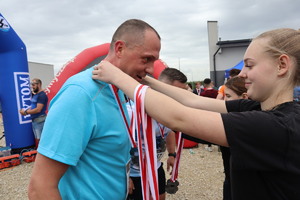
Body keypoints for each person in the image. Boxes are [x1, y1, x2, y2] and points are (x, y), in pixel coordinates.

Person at [93, 28, 300, 199]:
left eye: (249, 65)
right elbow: (192, 100)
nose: (242, 73)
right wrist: (145, 78)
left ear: (282, 65)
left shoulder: (277, 126)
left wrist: (118, 77)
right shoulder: (258, 107)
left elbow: (179, 117)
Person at [28, 19, 161, 200]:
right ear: (120, 49)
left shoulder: (117, 89)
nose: (151, 69)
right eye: (146, 59)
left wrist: (123, 178)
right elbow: (40, 187)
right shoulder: (81, 94)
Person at [128, 68, 186, 200]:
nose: (180, 97)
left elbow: (169, 131)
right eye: (176, 92)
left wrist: (172, 154)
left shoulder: (167, 111)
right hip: (134, 174)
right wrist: (124, 176)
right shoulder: (131, 111)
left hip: (155, 168)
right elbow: (115, 146)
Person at [221, 76, 248, 200]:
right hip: (231, 183)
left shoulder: (239, 125)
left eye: (228, 96)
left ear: (244, 97)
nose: (224, 99)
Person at [19, 78, 48, 148]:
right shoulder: (36, 95)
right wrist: (25, 110)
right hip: (35, 121)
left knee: (42, 141)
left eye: (34, 85)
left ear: (39, 84)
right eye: (31, 85)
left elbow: (38, 109)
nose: (32, 86)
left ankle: (45, 157)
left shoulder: (42, 95)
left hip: (40, 121)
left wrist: (25, 112)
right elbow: (33, 106)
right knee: (38, 139)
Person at [200, 78, 218, 152]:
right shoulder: (216, 92)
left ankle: (209, 145)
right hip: (216, 112)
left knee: (208, 129)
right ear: (211, 83)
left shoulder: (202, 94)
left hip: (206, 113)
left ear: (204, 84)